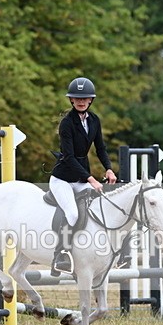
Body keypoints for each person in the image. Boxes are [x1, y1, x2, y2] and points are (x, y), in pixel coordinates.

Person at [49, 76, 117, 275]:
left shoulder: (94, 120)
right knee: (72, 213)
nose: (80, 101)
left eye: (84, 98)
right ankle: (60, 255)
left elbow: (101, 148)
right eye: (76, 98)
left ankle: (106, 250)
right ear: (71, 100)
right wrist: (91, 179)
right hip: (62, 179)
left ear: (90, 100)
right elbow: (69, 157)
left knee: (101, 206)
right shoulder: (66, 124)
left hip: (80, 178)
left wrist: (109, 168)